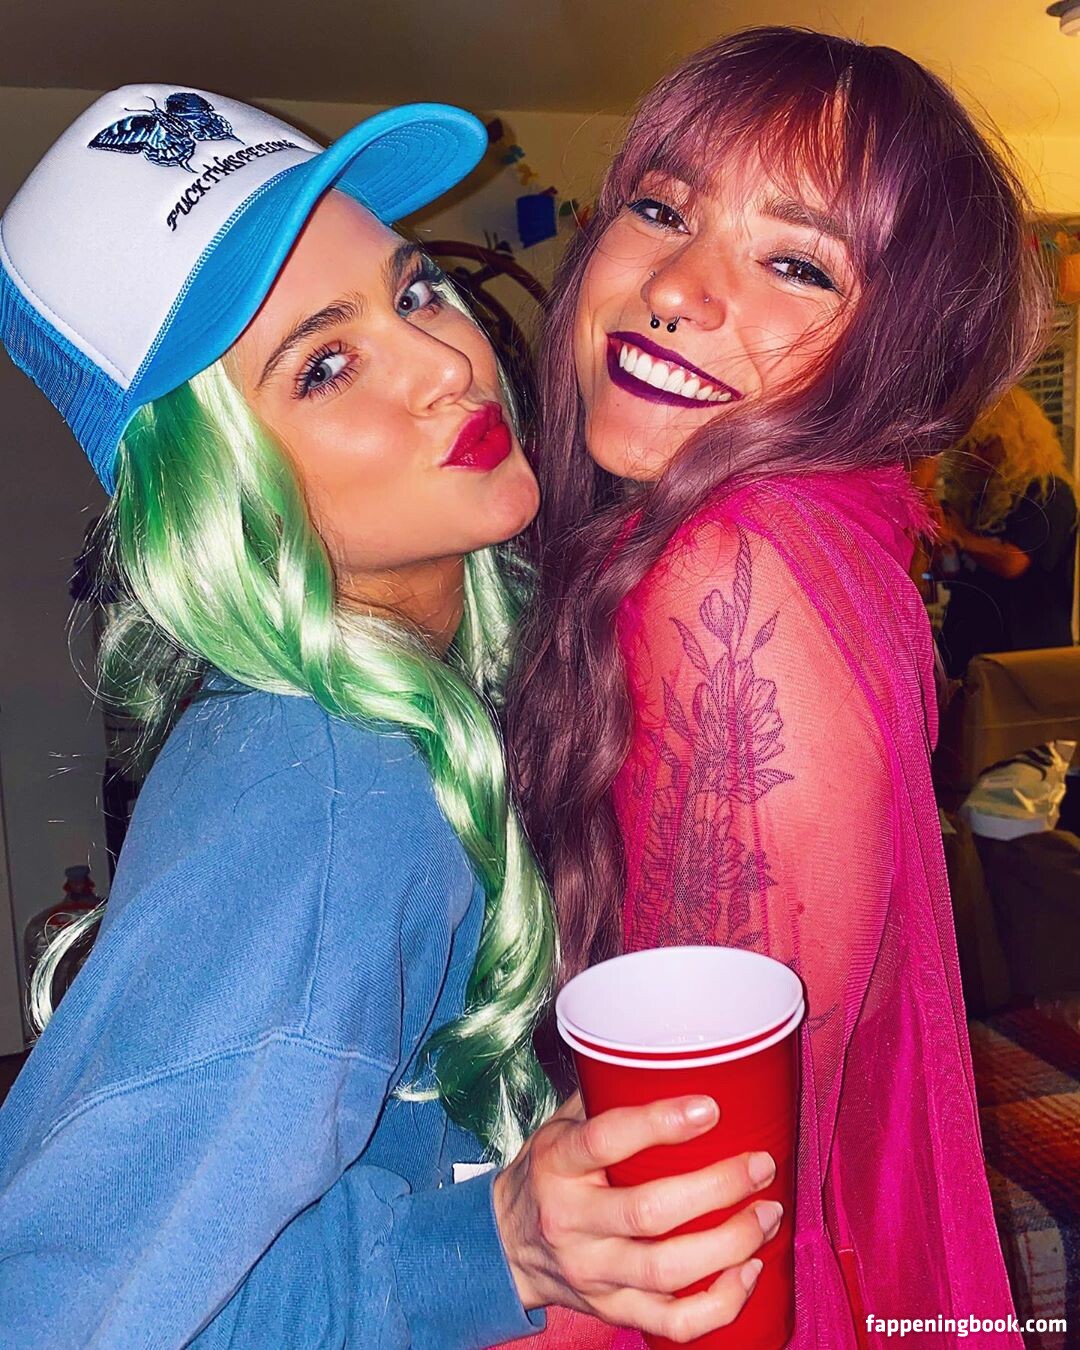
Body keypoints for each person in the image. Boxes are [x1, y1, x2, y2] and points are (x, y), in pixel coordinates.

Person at [0, 89, 778, 1347]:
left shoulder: (437, 689)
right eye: (324, 365)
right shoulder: (322, 787)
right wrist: (482, 1248)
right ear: (218, 484)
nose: (446, 363)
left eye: (414, 292)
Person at [508, 28, 1043, 1348]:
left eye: (797, 263)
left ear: (896, 355)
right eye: (660, 209)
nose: (675, 288)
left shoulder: (731, 571)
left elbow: (703, 1200)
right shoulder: (802, 531)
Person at [936, 385, 1077, 677]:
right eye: (969, 446)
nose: (975, 455)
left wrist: (961, 537)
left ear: (1015, 442)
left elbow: (1013, 561)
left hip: (1025, 655)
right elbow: (955, 572)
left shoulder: (1047, 493)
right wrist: (946, 545)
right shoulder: (977, 498)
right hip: (968, 647)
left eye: (986, 443)